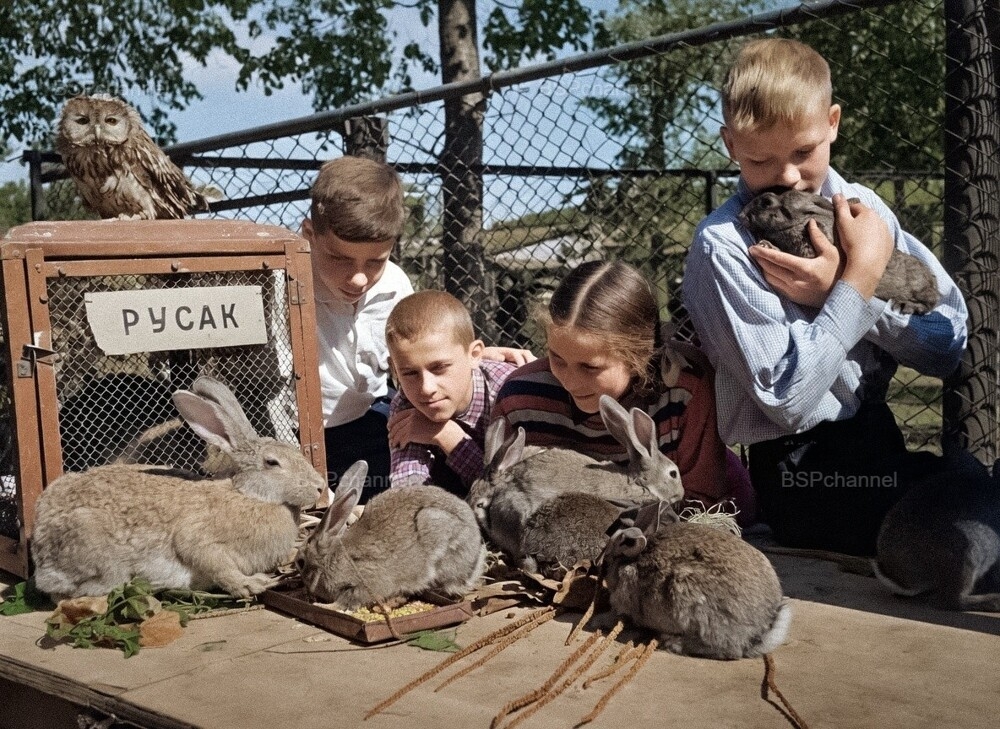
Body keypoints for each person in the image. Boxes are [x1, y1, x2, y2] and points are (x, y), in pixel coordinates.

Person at [682, 38, 968, 555]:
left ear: (832, 122)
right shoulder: (723, 246)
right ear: (729, 145)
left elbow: (948, 346)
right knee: (959, 518)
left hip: (878, 436)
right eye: (759, 159)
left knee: (971, 484)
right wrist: (853, 286)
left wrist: (848, 294)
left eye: (803, 151)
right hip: (801, 472)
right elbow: (787, 403)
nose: (787, 176)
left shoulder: (865, 212)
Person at [303, 155, 532, 502]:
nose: (359, 278)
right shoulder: (286, 283)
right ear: (310, 235)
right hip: (302, 431)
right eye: (340, 259)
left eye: (375, 261)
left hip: (371, 417)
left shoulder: (394, 283)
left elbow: (414, 347)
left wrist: (473, 359)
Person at [491, 259, 752, 520]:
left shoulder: (684, 391)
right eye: (556, 358)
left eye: (590, 367)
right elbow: (496, 491)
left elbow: (702, 502)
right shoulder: (521, 398)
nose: (570, 381)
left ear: (639, 355)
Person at [385, 290, 525, 496]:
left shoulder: (509, 391)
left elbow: (515, 493)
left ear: (475, 355)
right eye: (410, 373)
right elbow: (407, 488)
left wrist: (449, 437)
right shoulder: (406, 404)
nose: (426, 388)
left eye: (439, 367)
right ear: (395, 370)